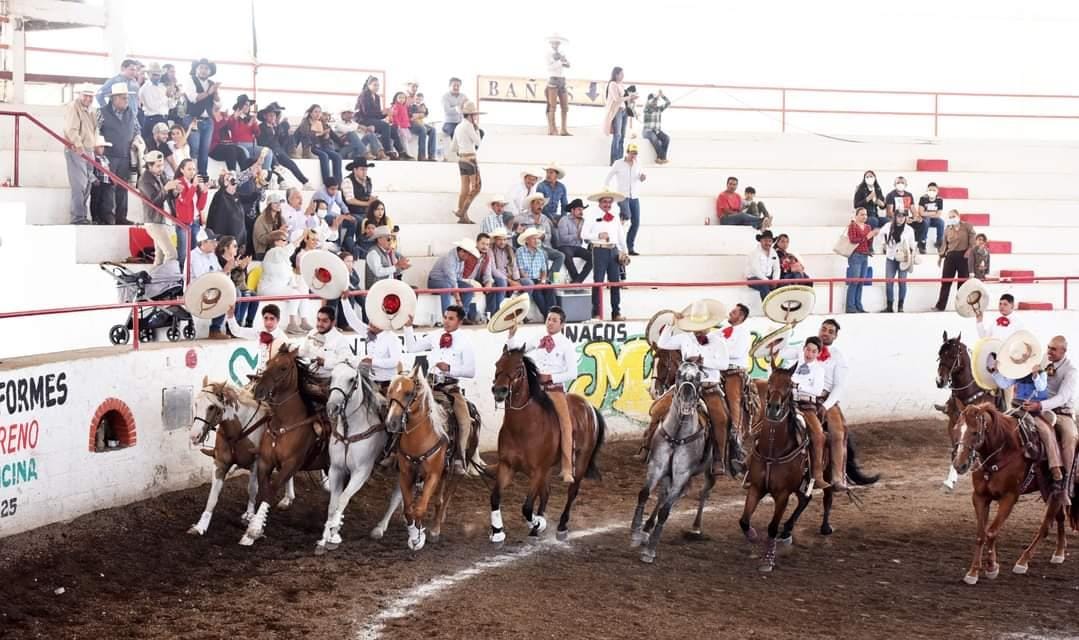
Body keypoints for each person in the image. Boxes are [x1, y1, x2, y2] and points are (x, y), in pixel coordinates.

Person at [656, 302, 736, 476]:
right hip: (685, 386)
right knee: (659, 410)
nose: (698, 330)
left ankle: (718, 458)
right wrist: (672, 323)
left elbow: (723, 364)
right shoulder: (685, 338)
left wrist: (702, 362)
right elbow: (663, 343)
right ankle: (651, 446)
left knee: (720, 419)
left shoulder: (718, 341)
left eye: (702, 327)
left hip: (708, 387)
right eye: (696, 327)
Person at [403, 307, 485, 474]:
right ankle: (397, 451)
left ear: (460, 321)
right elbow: (412, 348)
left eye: (451, 318)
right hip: (429, 386)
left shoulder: (465, 341)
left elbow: (471, 371)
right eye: (446, 317)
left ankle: (459, 457)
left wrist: (450, 368)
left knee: (464, 421)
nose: (447, 321)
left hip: (450, 388)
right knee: (404, 409)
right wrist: (408, 327)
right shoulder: (434, 335)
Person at [507, 307, 577, 481]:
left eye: (554, 320)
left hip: (554, 389)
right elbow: (517, 351)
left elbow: (572, 373)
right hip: (535, 388)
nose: (550, 323)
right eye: (548, 319)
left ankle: (567, 467)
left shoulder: (566, 345)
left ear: (562, 324)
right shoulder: (537, 339)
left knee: (565, 423)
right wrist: (511, 335)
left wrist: (551, 376)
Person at [992, 362, 1064, 493]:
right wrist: (995, 372)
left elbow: (1041, 387)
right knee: (999, 425)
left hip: (1035, 410)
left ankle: (1055, 468)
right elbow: (1004, 384)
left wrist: (1035, 374)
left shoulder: (1042, 373)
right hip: (1017, 408)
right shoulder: (1018, 374)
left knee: (1047, 432)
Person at [1025, 336, 1079, 505]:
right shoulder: (1043, 362)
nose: (1049, 351)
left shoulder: (1071, 371)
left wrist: (1039, 405)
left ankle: (1066, 484)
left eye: (1053, 349)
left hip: (1062, 413)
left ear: (1063, 351)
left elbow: (1063, 397)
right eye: (1048, 347)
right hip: (1040, 408)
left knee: (1070, 437)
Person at [790, 336, 830, 489]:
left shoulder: (819, 370)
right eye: (808, 350)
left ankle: (817, 475)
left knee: (818, 434)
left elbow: (817, 390)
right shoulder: (795, 364)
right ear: (804, 349)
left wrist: (798, 385)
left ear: (818, 354)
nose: (809, 354)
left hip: (807, 405)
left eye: (814, 351)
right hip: (789, 402)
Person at [338, 294, 401, 391]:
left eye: (375, 321)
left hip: (388, 383)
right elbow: (352, 320)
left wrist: (372, 361)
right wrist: (345, 300)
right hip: (370, 380)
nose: (370, 323)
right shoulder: (368, 331)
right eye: (371, 320)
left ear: (383, 323)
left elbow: (394, 362)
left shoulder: (392, 338)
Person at [97, 83, 139, 224]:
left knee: (123, 187)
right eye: (123, 98)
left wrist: (136, 141)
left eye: (127, 98)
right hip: (108, 155)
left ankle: (121, 217)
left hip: (125, 155)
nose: (126, 100)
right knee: (108, 187)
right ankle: (108, 216)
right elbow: (95, 131)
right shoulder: (101, 112)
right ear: (114, 99)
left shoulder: (131, 113)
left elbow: (136, 129)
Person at [583, 190, 628, 321]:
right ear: (600, 202)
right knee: (598, 282)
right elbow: (583, 234)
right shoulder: (592, 215)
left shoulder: (615, 215)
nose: (607, 204)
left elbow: (620, 234)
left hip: (613, 250)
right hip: (599, 249)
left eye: (609, 202)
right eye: (605, 202)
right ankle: (596, 312)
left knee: (615, 282)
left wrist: (624, 250)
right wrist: (598, 235)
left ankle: (616, 312)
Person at [136, 149, 179, 264]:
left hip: (161, 220)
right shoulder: (144, 180)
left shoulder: (161, 175)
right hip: (154, 221)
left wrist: (175, 191)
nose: (161, 168)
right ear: (149, 166)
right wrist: (166, 189)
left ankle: (154, 279)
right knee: (172, 254)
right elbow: (154, 201)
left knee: (159, 257)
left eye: (162, 165)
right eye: (158, 166)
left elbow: (169, 195)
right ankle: (165, 278)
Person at [63, 85, 98, 225]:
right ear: (79, 95)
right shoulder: (74, 107)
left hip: (88, 149)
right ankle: (78, 217)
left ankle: (82, 216)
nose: (88, 98)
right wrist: (78, 145)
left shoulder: (91, 111)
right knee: (80, 185)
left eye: (91, 96)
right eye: (85, 95)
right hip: (78, 149)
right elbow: (71, 129)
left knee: (87, 184)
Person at [356, 76, 410, 160]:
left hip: (373, 119)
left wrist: (386, 113)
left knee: (393, 128)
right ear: (369, 85)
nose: (377, 87)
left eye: (378, 85)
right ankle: (387, 151)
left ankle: (401, 152)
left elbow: (377, 115)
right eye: (375, 85)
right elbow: (366, 112)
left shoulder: (377, 97)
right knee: (385, 126)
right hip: (364, 119)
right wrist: (382, 112)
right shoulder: (364, 95)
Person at [605, 144, 645, 255]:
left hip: (634, 196)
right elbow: (609, 175)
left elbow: (640, 176)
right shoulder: (618, 163)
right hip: (622, 195)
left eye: (635, 153)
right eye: (632, 153)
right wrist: (606, 188)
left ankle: (629, 247)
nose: (634, 155)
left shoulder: (638, 164)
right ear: (627, 152)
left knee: (636, 222)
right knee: (627, 214)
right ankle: (617, 226)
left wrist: (642, 178)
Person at [933, 210, 976, 311]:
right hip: (950, 257)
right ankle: (940, 306)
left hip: (963, 256)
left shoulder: (967, 226)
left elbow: (973, 239)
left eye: (954, 216)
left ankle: (962, 306)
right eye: (950, 217)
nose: (952, 218)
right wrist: (940, 257)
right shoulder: (947, 229)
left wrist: (969, 251)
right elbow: (944, 244)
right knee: (945, 282)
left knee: (962, 283)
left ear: (958, 216)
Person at [256, 102, 309, 185]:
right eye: (270, 115)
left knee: (291, 164)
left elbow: (281, 140)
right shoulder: (261, 127)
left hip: (279, 150)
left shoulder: (277, 127)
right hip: (269, 151)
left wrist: (284, 132)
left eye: (274, 115)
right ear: (265, 116)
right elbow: (262, 142)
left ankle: (305, 181)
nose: (273, 117)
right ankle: (281, 181)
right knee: (274, 164)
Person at [296, 306, 353, 382]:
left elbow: (346, 361)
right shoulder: (312, 332)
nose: (320, 324)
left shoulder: (340, 339)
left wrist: (325, 362)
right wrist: (292, 351)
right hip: (309, 377)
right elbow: (303, 351)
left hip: (330, 381)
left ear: (333, 323)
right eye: (318, 320)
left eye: (324, 321)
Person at [185, 58, 221, 176]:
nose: (203, 70)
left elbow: (218, 104)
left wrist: (215, 94)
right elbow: (193, 98)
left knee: (204, 150)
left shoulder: (211, 84)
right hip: (193, 119)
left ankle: (203, 176)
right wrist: (209, 92)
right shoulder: (191, 80)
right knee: (194, 149)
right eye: (201, 67)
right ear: (196, 69)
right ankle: (192, 176)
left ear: (210, 71)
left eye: (206, 68)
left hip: (208, 120)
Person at [428, 239, 480, 318]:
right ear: (462, 252)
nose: (469, 257)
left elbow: (457, 279)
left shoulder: (461, 259)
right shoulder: (449, 259)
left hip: (450, 282)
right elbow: (452, 281)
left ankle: (463, 316)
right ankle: (447, 316)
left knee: (469, 288)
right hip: (435, 281)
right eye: (469, 255)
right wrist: (458, 300)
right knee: (447, 286)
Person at [877, 209, 917, 313]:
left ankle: (900, 306)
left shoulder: (909, 230)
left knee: (902, 282)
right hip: (891, 257)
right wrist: (883, 244)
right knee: (889, 281)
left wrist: (911, 255)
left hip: (903, 259)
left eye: (903, 216)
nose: (901, 218)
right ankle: (889, 306)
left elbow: (913, 244)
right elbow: (880, 235)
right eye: (899, 216)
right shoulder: (888, 226)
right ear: (895, 217)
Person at [173, 158, 209, 271]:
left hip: (195, 222)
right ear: (182, 170)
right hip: (183, 223)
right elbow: (185, 201)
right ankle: (182, 276)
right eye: (189, 169)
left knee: (195, 252)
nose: (192, 172)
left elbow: (200, 207)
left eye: (194, 169)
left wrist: (204, 192)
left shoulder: (195, 184)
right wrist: (193, 186)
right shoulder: (179, 183)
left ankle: (192, 274)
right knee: (183, 253)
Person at [214, 235, 255, 334]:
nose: (237, 248)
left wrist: (242, 268)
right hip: (226, 287)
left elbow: (240, 281)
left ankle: (247, 323)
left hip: (235, 286)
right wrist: (235, 268)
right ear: (226, 248)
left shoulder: (234, 260)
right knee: (239, 294)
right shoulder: (220, 260)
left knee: (253, 295)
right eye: (234, 246)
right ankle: (233, 326)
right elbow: (226, 278)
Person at [227, 304, 286, 372]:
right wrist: (230, 316)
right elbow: (236, 331)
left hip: (274, 377)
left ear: (278, 320)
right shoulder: (259, 331)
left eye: (272, 319)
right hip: (259, 374)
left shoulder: (283, 338)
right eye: (265, 318)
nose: (268, 322)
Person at [451, 101, 484, 224]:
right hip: (470, 158)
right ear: (471, 115)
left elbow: (453, 147)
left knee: (464, 188)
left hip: (461, 159)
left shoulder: (458, 126)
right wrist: (477, 130)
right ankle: (462, 211)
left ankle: (462, 216)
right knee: (476, 187)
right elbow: (478, 142)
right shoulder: (469, 126)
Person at [295, 104, 343, 183]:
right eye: (315, 112)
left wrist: (326, 136)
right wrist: (320, 134)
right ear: (310, 113)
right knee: (324, 156)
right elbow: (306, 135)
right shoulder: (305, 123)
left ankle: (338, 183)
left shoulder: (321, 123)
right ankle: (327, 182)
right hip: (311, 147)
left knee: (337, 157)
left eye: (319, 112)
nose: (318, 114)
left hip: (321, 147)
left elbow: (329, 137)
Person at [515, 229, 556, 318]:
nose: (536, 241)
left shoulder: (540, 252)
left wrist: (543, 281)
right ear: (527, 240)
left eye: (536, 238)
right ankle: (548, 316)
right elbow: (521, 271)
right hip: (527, 279)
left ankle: (551, 315)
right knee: (536, 289)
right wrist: (536, 283)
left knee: (550, 288)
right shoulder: (520, 251)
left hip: (538, 279)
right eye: (533, 238)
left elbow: (544, 270)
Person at [228, 95, 273, 172]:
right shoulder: (233, 117)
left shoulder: (249, 118)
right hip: (239, 145)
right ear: (240, 105)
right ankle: (247, 180)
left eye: (249, 105)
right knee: (245, 155)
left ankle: (263, 177)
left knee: (268, 152)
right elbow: (234, 131)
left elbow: (258, 133)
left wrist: (254, 123)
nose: (248, 107)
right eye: (246, 104)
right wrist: (236, 119)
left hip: (251, 146)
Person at [206, 172, 249, 251]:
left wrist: (243, 242)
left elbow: (252, 197)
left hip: (237, 241)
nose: (233, 182)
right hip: (224, 243)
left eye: (234, 180)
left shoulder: (236, 196)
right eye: (229, 180)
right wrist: (224, 183)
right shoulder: (220, 196)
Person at [556, 198, 593, 284]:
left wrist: (589, 238)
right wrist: (577, 235)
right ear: (572, 210)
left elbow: (586, 240)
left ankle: (578, 281)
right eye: (579, 209)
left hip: (577, 247)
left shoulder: (584, 221)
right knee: (567, 254)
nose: (581, 212)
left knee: (594, 258)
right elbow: (563, 238)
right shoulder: (564, 220)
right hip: (565, 246)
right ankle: (577, 279)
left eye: (582, 209)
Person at [544, 34, 572, 136]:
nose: (556, 44)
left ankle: (563, 129)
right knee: (552, 106)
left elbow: (568, 64)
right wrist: (561, 61)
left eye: (557, 42)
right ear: (551, 43)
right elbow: (550, 67)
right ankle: (552, 129)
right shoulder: (548, 53)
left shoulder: (561, 53)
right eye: (554, 42)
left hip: (561, 79)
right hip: (553, 79)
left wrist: (563, 60)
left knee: (565, 106)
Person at [603, 66, 629, 165]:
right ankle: (614, 161)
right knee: (617, 135)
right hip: (617, 111)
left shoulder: (621, 85)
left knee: (622, 136)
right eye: (621, 74)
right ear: (616, 74)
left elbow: (623, 99)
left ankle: (620, 160)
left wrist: (630, 98)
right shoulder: (612, 84)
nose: (623, 76)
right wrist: (628, 97)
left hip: (624, 111)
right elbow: (617, 99)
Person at [489, 228, 520, 312]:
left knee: (527, 283)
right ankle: (500, 311)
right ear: (495, 240)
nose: (502, 242)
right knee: (502, 282)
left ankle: (518, 311)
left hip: (509, 276)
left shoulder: (509, 249)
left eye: (504, 239)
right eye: (499, 239)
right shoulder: (490, 250)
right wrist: (510, 281)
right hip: (496, 277)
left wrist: (517, 280)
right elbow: (494, 270)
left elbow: (514, 266)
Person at [138, 63, 169, 147]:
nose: (157, 77)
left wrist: (174, 97)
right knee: (152, 147)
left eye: (159, 75)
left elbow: (170, 106)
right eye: (155, 74)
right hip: (152, 119)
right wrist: (166, 96)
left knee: (164, 147)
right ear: (148, 74)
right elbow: (152, 106)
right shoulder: (145, 88)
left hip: (164, 118)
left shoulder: (162, 86)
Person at [745, 230, 780, 301]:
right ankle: (768, 308)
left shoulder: (773, 252)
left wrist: (775, 280)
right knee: (764, 285)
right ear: (760, 241)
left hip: (768, 278)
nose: (768, 243)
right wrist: (768, 281)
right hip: (753, 278)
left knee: (782, 284)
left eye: (770, 241)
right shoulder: (754, 253)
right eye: (765, 240)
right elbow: (755, 270)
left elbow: (777, 268)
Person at [89, 137, 117, 225]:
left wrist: (111, 178)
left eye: (103, 147)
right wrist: (94, 179)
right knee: (96, 200)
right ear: (94, 147)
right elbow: (90, 169)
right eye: (100, 147)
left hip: (106, 182)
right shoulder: (92, 158)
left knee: (106, 201)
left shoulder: (104, 158)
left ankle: (105, 217)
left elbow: (108, 169)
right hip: (98, 182)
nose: (102, 149)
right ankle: (96, 218)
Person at [390, 91, 426, 161]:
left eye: (403, 98)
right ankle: (406, 153)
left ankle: (406, 153)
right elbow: (395, 117)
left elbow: (406, 117)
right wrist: (398, 125)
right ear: (396, 99)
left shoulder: (404, 106)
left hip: (405, 126)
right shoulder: (396, 106)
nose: (401, 99)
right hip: (399, 126)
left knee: (405, 139)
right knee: (403, 139)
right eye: (400, 97)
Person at [914, 182, 946, 254]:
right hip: (925, 219)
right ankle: (922, 242)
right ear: (927, 190)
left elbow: (938, 214)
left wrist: (927, 213)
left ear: (937, 191)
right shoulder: (923, 198)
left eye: (934, 190)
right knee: (926, 221)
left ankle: (939, 242)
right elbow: (921, 213)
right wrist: (933, 213)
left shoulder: (939, 200)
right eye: (930, 190)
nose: (932, 191)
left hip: (934, 219)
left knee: (941, 222)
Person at [252, 192, 286, 259]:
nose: (279, 205)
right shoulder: (261, 220)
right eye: (276, 203)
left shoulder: (282, 219)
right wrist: (277, 233)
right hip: (263, 253)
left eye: (280, 203)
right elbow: (261, 239)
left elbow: (284, 237)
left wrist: (284, 234)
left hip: (278, 252)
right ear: (269, 204)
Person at [642, 91, 671, 164]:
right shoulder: (647, 108)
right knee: (654, 138)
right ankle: (663, 157)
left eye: (657, 101)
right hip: (647, 131)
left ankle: (659, 158)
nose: (656, 102)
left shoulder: (659, 109)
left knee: (666, 138)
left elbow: (668, 103)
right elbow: (650, 102)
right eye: (655, 101)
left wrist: (662, 96)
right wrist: (657, 96)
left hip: (657, 131)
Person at [408, 92, 437, 161]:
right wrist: (420, 113)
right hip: (412, 123)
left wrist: (422, 113)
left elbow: (426, 113)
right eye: (417, 98)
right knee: (423, 129)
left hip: (421, 122)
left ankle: (431, 155)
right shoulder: (411, 104)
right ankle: (421, 156)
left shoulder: (423, 105)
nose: (418, 100)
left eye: (420, 99)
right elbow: (413, 115)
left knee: (433, 130)